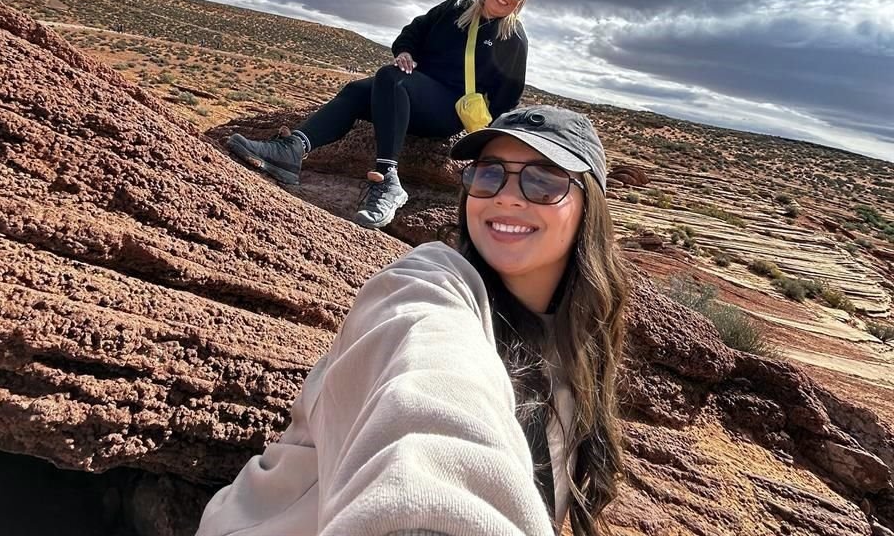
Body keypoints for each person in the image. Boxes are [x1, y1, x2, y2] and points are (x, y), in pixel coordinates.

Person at [197, 105, 631, 536]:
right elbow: (429, 393)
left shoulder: (576, 343)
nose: (506, 195)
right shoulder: (426, 284)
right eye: (489, 173)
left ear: (589, 207)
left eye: (543, 180)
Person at [226, 0, 533, 229]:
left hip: (446, 112)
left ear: (520, 2)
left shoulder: (513, 39)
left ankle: (388, 180)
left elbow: (507, 98)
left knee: (389, 77)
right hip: (408, 94)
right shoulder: (455, 8)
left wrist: (490, 149)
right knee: (357, 90)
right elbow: (412, 32)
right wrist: (405, 52)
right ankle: (293, 151)